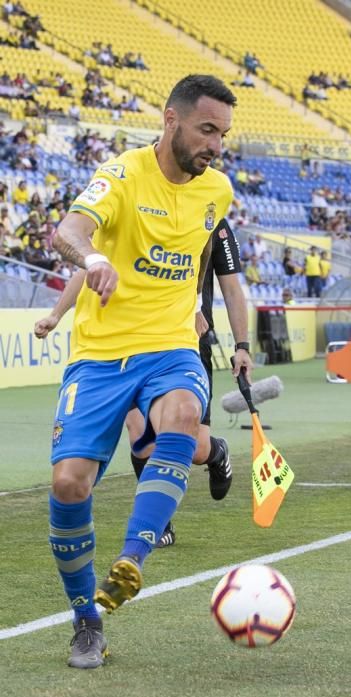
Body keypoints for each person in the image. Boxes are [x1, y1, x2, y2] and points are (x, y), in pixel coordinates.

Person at [44, 74, 251, 670]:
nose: (215, 144)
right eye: (207, 129)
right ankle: (87, 620)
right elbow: (70, 231)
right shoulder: (122, 173)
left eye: (223, 134)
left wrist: (229, 335)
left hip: (170, 345)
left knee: (183, 415)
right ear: (171, 119)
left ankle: (134, 556)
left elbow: (219, 270)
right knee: (68, 484)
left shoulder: (219, 192)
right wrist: (94, 258)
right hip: (100, 355)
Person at [35, 217, 252, 547]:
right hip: (124, 348)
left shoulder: (209, 216)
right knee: (143, 438)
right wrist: (56, 314)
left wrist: (242, 345)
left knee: (193, 448)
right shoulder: (131, 209)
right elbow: (88, 269)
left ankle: (216, 452)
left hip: (184, 347)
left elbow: (232, 288)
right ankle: (159, 523)